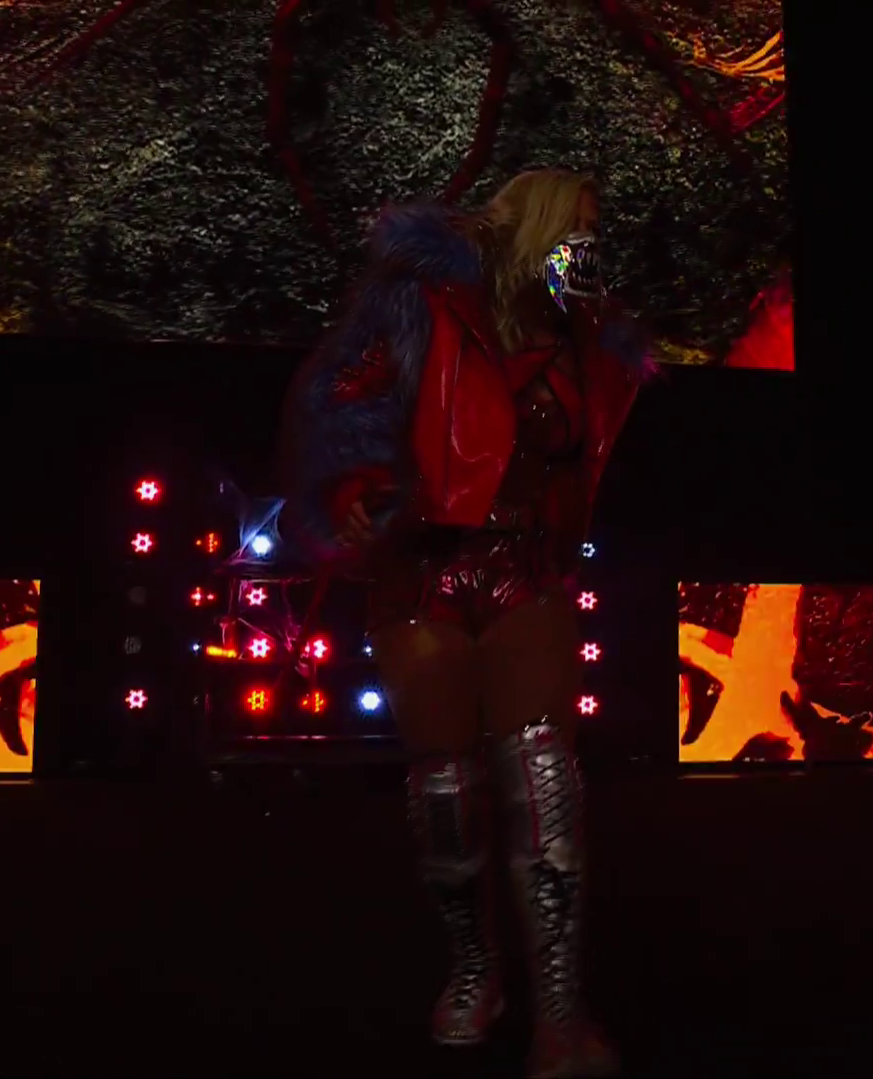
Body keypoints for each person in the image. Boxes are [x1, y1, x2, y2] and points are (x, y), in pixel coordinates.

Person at [280, 168, 651, 1076]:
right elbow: (340, 398)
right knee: (444, 788)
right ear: (537, 225)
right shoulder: (422, 302)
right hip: (424, 568)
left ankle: (559, 1016)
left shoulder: (586, 333)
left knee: (544, 781)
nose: (590, 245)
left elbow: (586, 450)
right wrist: (355, 482)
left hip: (526, 569)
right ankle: (477, 970)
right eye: (578, 226)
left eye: (595, 230)